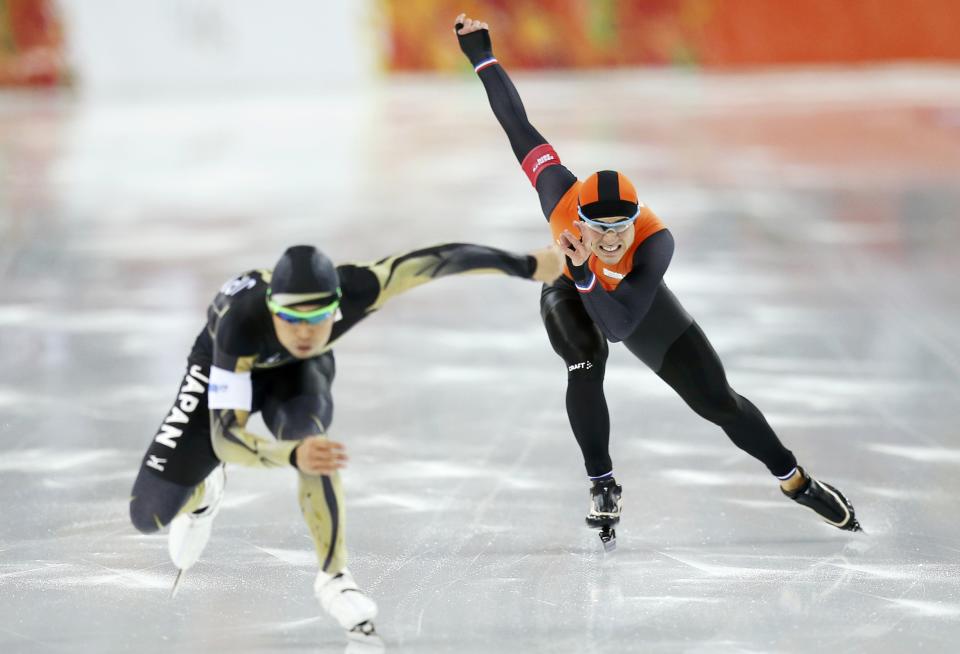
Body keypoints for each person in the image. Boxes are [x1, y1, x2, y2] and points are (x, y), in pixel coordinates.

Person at [452, 14, 861, 546]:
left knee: (718, 402)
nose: (612, 241)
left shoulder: (655, 242)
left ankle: (795, 481)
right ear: (581, 220)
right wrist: (480, 53)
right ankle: (602, 483)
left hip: (623, 300)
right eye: (600, 230)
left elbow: (622, 323)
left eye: (621, 229)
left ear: (635, 220)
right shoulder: (557, 192)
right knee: (583, 361)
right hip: (569, 288)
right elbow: (517, 124)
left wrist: (585, 268)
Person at [129, 241, 562, 638]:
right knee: (148, 515)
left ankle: (335, 577)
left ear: (337, 306)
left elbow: (433, 263)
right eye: (292, 319)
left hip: (297, 375)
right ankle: (204, 493)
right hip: (224, 365)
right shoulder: (240, 322)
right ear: (272, 310)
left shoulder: (358, 288)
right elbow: (227, 436)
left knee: (312, 440)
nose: (304, 332)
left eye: (318, 318)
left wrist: (525, 266)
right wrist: (288, 455)